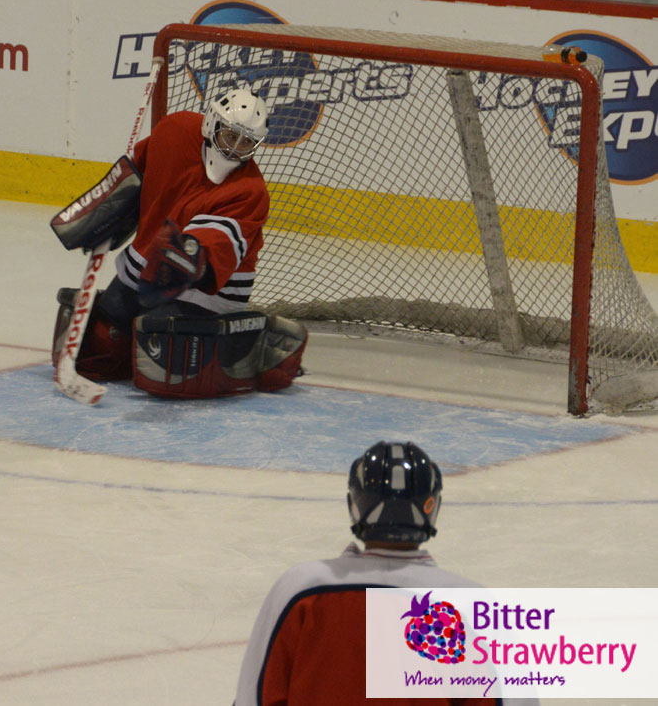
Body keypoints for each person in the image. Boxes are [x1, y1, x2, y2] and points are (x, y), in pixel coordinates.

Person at [233, 441, 537, 706]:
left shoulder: (300, 587)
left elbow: (254, 696)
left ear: (356, 505)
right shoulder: (470, 603)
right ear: (431, 507)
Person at [50, 86, 306, 398]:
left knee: (166, 360)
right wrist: (109, 207)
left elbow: (212, 248)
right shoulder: (174, 131)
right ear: (212, 123)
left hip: (207, 295)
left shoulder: (250, 191)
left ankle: (250, 346)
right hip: (140, 276)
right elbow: (134, 175)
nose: (235, 148)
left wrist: (186, 259)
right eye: (230, 135)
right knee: (95, 350)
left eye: (247, 142)